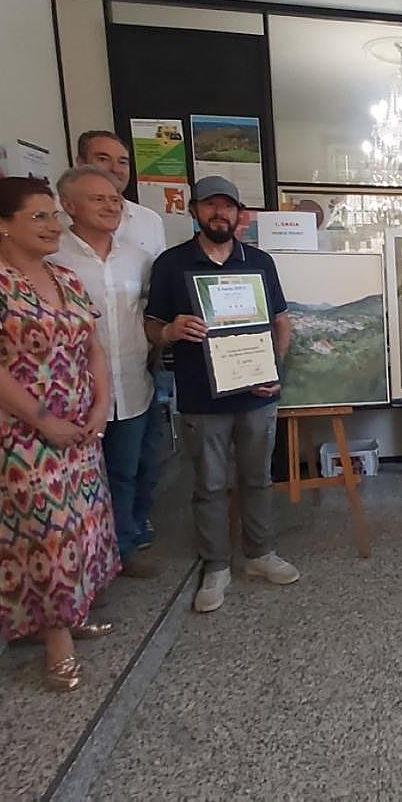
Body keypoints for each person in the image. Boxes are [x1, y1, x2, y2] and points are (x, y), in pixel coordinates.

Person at [0, 177, 119, 691]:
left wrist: (101, 404)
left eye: (53, 215)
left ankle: (75, 610)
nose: (53, 225)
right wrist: (44, 420)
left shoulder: (64, 277)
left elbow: (93, 347)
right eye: (39, 216)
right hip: (20, 436)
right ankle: (55, 642)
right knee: (44, 534)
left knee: (81, 526)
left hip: (79, 429)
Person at [145, 176, 299, 613]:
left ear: (239, 214)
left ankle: (260, 553)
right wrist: (170, 331)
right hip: (201, 398)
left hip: (257, 394)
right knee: (210, 484)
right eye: (211, 205)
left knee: (258, 479)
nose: (220, 213)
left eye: (228, 206)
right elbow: (151, 326)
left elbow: (281, 321)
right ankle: (216, 565)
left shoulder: (260, 261)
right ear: (194, 210)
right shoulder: (171, 263)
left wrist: (274, 369)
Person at [52, 166, 159, 578]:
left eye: (115, 199)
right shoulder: (51, 257)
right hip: (71, 388)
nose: (111, 206)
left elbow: (148, 314)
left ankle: (125, 544)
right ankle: (85, 556)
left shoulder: (138, 258)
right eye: (98, 199)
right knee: (78, 477)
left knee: (129, 469)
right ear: (69, 205)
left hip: (131, 379)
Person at [74, 129, 167, 551]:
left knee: (137, 461)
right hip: (75, 380)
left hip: (135, 370)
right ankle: (97, 545)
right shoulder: (53, 250)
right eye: (102, 159)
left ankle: (128, 536)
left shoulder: (141, 243)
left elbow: (151, 304)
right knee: (93, 470)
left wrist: (160, 344)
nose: (114, 171)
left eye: (122, 162)